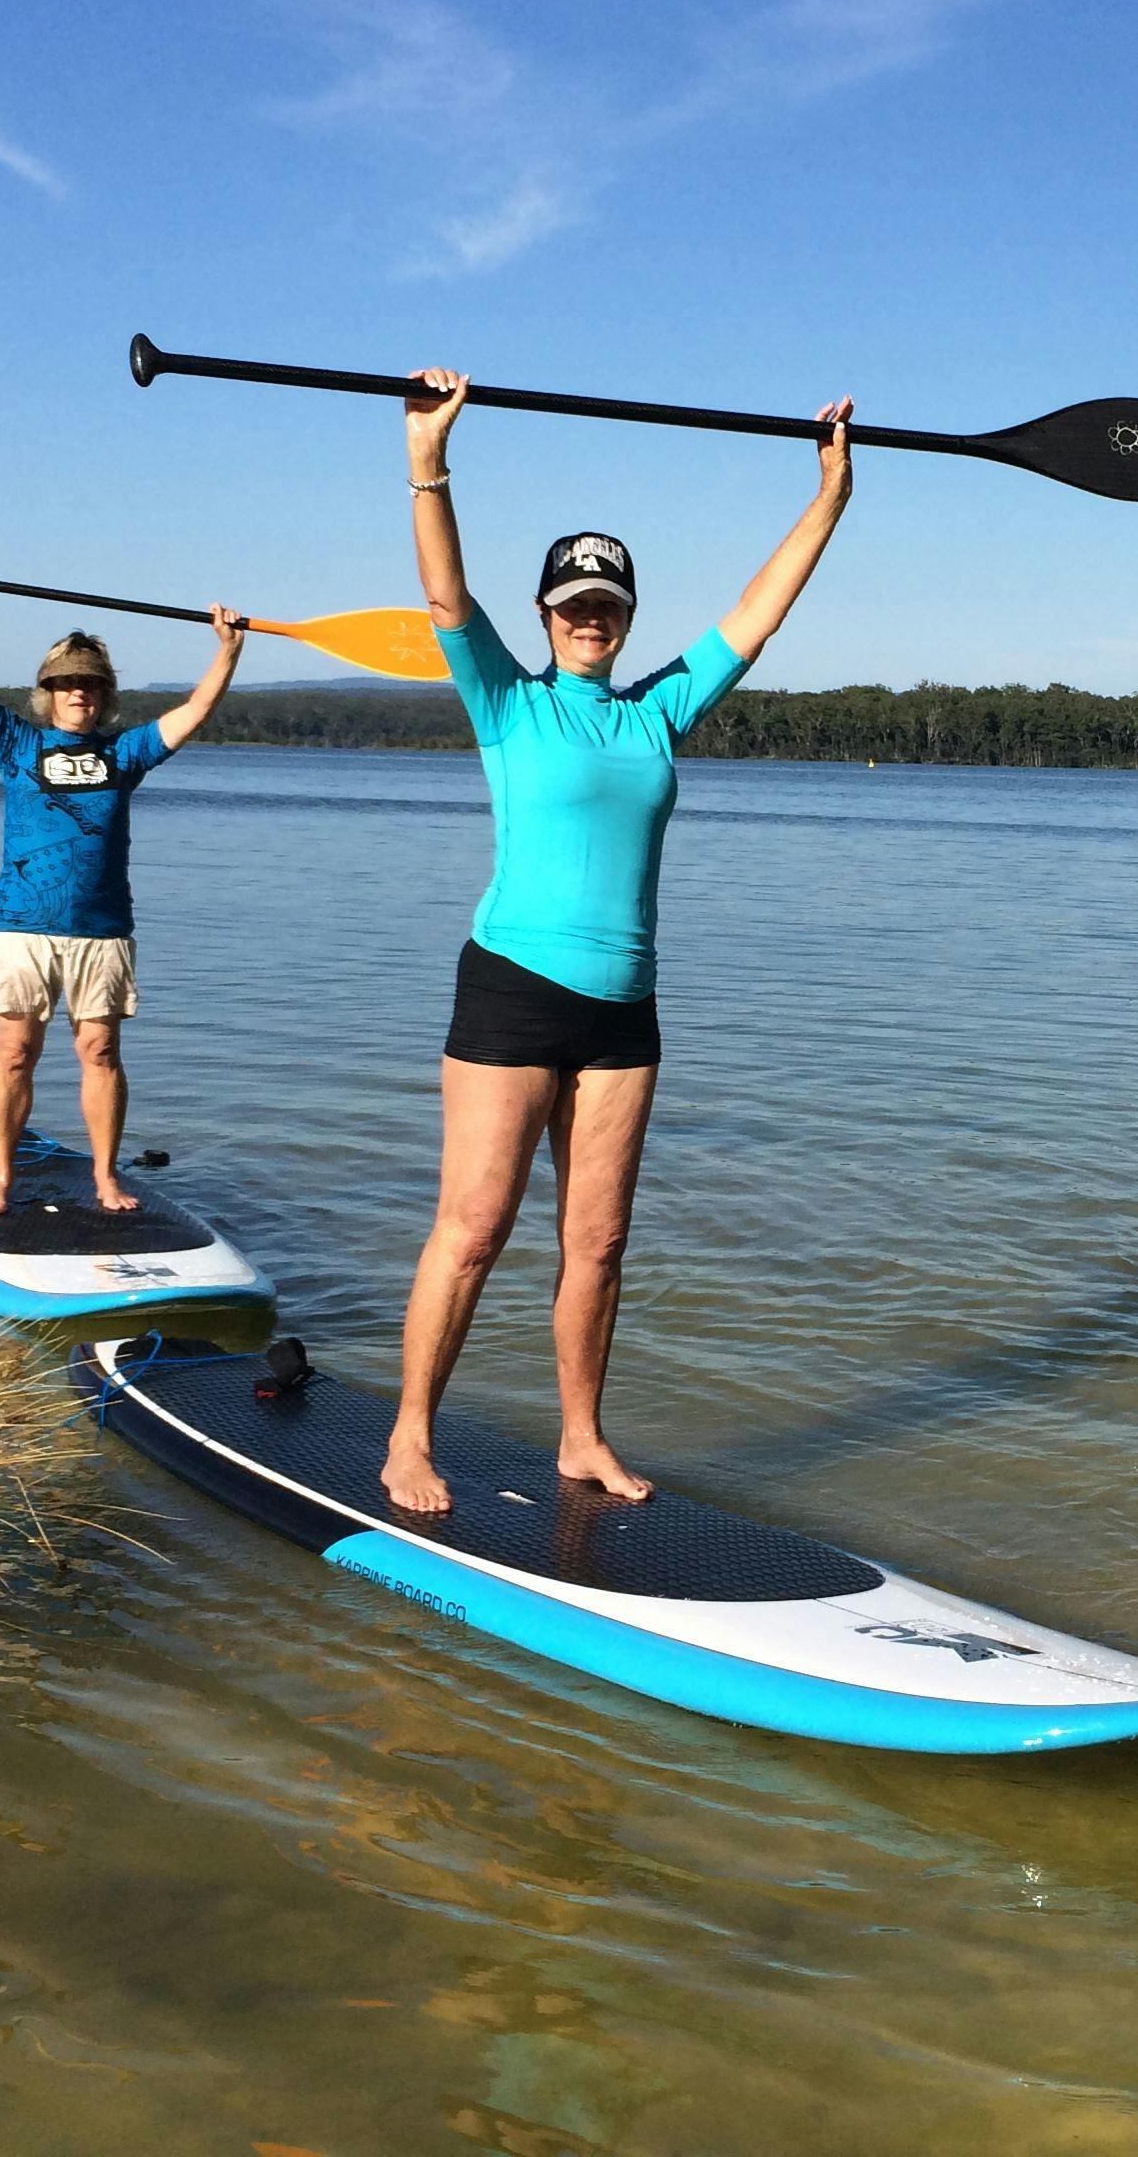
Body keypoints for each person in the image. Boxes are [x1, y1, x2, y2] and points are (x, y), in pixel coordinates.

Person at [380, 368, 854, 1515]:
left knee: (596, 1244)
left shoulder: (659, 711)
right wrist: (427, 457)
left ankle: (581, 1435)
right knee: (477, 1228)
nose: (591, 617)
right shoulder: (507, 700)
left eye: (609, 603)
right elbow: (445, 591)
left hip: (624, 1013)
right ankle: (408, 1437)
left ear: (628, 616)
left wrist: (830, 494)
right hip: (511, 992)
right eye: (572, 602)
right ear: (545, 614)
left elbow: (761, 608)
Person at [0, 569, 244, 1215]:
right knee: (14, 1052)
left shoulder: (127, 754)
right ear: (48, 694)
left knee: (101, 1050)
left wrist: (226, 651)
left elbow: (195, 711)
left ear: (105, 694)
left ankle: (106, 1178)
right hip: (22, 925)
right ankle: (0, 1180)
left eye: (90, 683)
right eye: (66, 683)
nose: (78, 693)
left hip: (103, 930)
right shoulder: (16, 745)